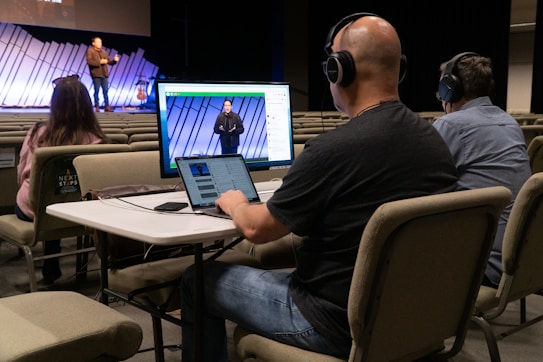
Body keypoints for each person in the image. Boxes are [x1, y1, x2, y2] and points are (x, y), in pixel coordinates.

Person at [180, 13, 458, 361]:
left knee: (197, 278)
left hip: (333, 324)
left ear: (340, 70)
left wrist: (236, 202)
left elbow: (257, 229)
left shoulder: (332, 150)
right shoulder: (434, 141)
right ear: (397, 69)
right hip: (411, 317)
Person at [433, 52, 531, 288]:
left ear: (450, 89)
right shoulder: (510, 122)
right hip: (523, 260)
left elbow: (422, 187)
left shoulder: (449, 125)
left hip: (482, 265)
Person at [15, 75, 110, 285]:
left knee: (46, 196)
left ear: (54, 104)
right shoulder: (99, 141)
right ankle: (53, 263)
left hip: (35, 210)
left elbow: (21, 173)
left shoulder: (38, 134)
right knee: (61, 195)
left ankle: (50, 266)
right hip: (79, 211)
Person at [86, 36, 120, 112]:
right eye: (97, 42)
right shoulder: (90, 51)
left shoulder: (104, 52)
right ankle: (97, 106)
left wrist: (114, 61)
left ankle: (107, 106)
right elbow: (89, 62)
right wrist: (99, 62)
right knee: (96, 91)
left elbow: (109, 62)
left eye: (100, 42)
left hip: (105, 74)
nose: (99, 44)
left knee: (105, 91)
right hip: (96, 75)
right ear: (93, 43)